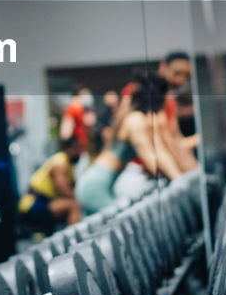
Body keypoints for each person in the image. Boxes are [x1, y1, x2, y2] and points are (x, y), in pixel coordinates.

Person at [77, 73, 185, 215]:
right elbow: (152, 156)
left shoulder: (135, 118)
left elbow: (159, 151)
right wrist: (181, 182)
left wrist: (179, 179)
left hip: (99, 182)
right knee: (122, 225)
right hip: (95, 186)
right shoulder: (135, 120)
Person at [19, 135, 84, 232]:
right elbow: (65, 191)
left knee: (74, 204)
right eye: (77, 148)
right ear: (69, 149)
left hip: (45, 202)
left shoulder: (67, 163)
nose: (80, 152)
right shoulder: (59, 163)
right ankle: (75, 239)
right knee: (74, 205)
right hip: (34, 204)